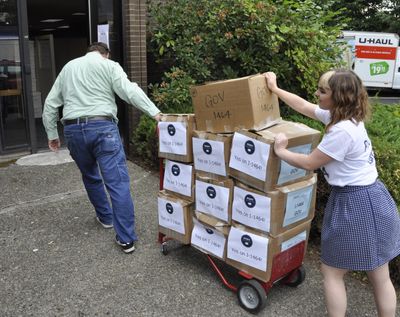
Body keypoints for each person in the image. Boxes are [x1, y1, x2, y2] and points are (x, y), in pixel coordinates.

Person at [264, 69, 400, 317]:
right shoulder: (347, 118)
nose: (316, 94)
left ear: (339, 97)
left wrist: (281, 151)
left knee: (332, 272)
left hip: (356, 204)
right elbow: (304, 106)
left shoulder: (341, 132)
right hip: (374, 199)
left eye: (322, 91)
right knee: (380, 274)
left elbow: (309, 163)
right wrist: (275, 88)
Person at [42, 42, 161, 254]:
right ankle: (126, 239)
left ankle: (105, 218)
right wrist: (154, 113)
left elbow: (51, 103)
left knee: (89, 175)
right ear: (106, 54)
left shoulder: (69, 67)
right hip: (103, 127)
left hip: (73, 130)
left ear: (88, 52)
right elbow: (129, 90)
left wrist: (52, 134)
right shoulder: (109, 65)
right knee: (117, 183)